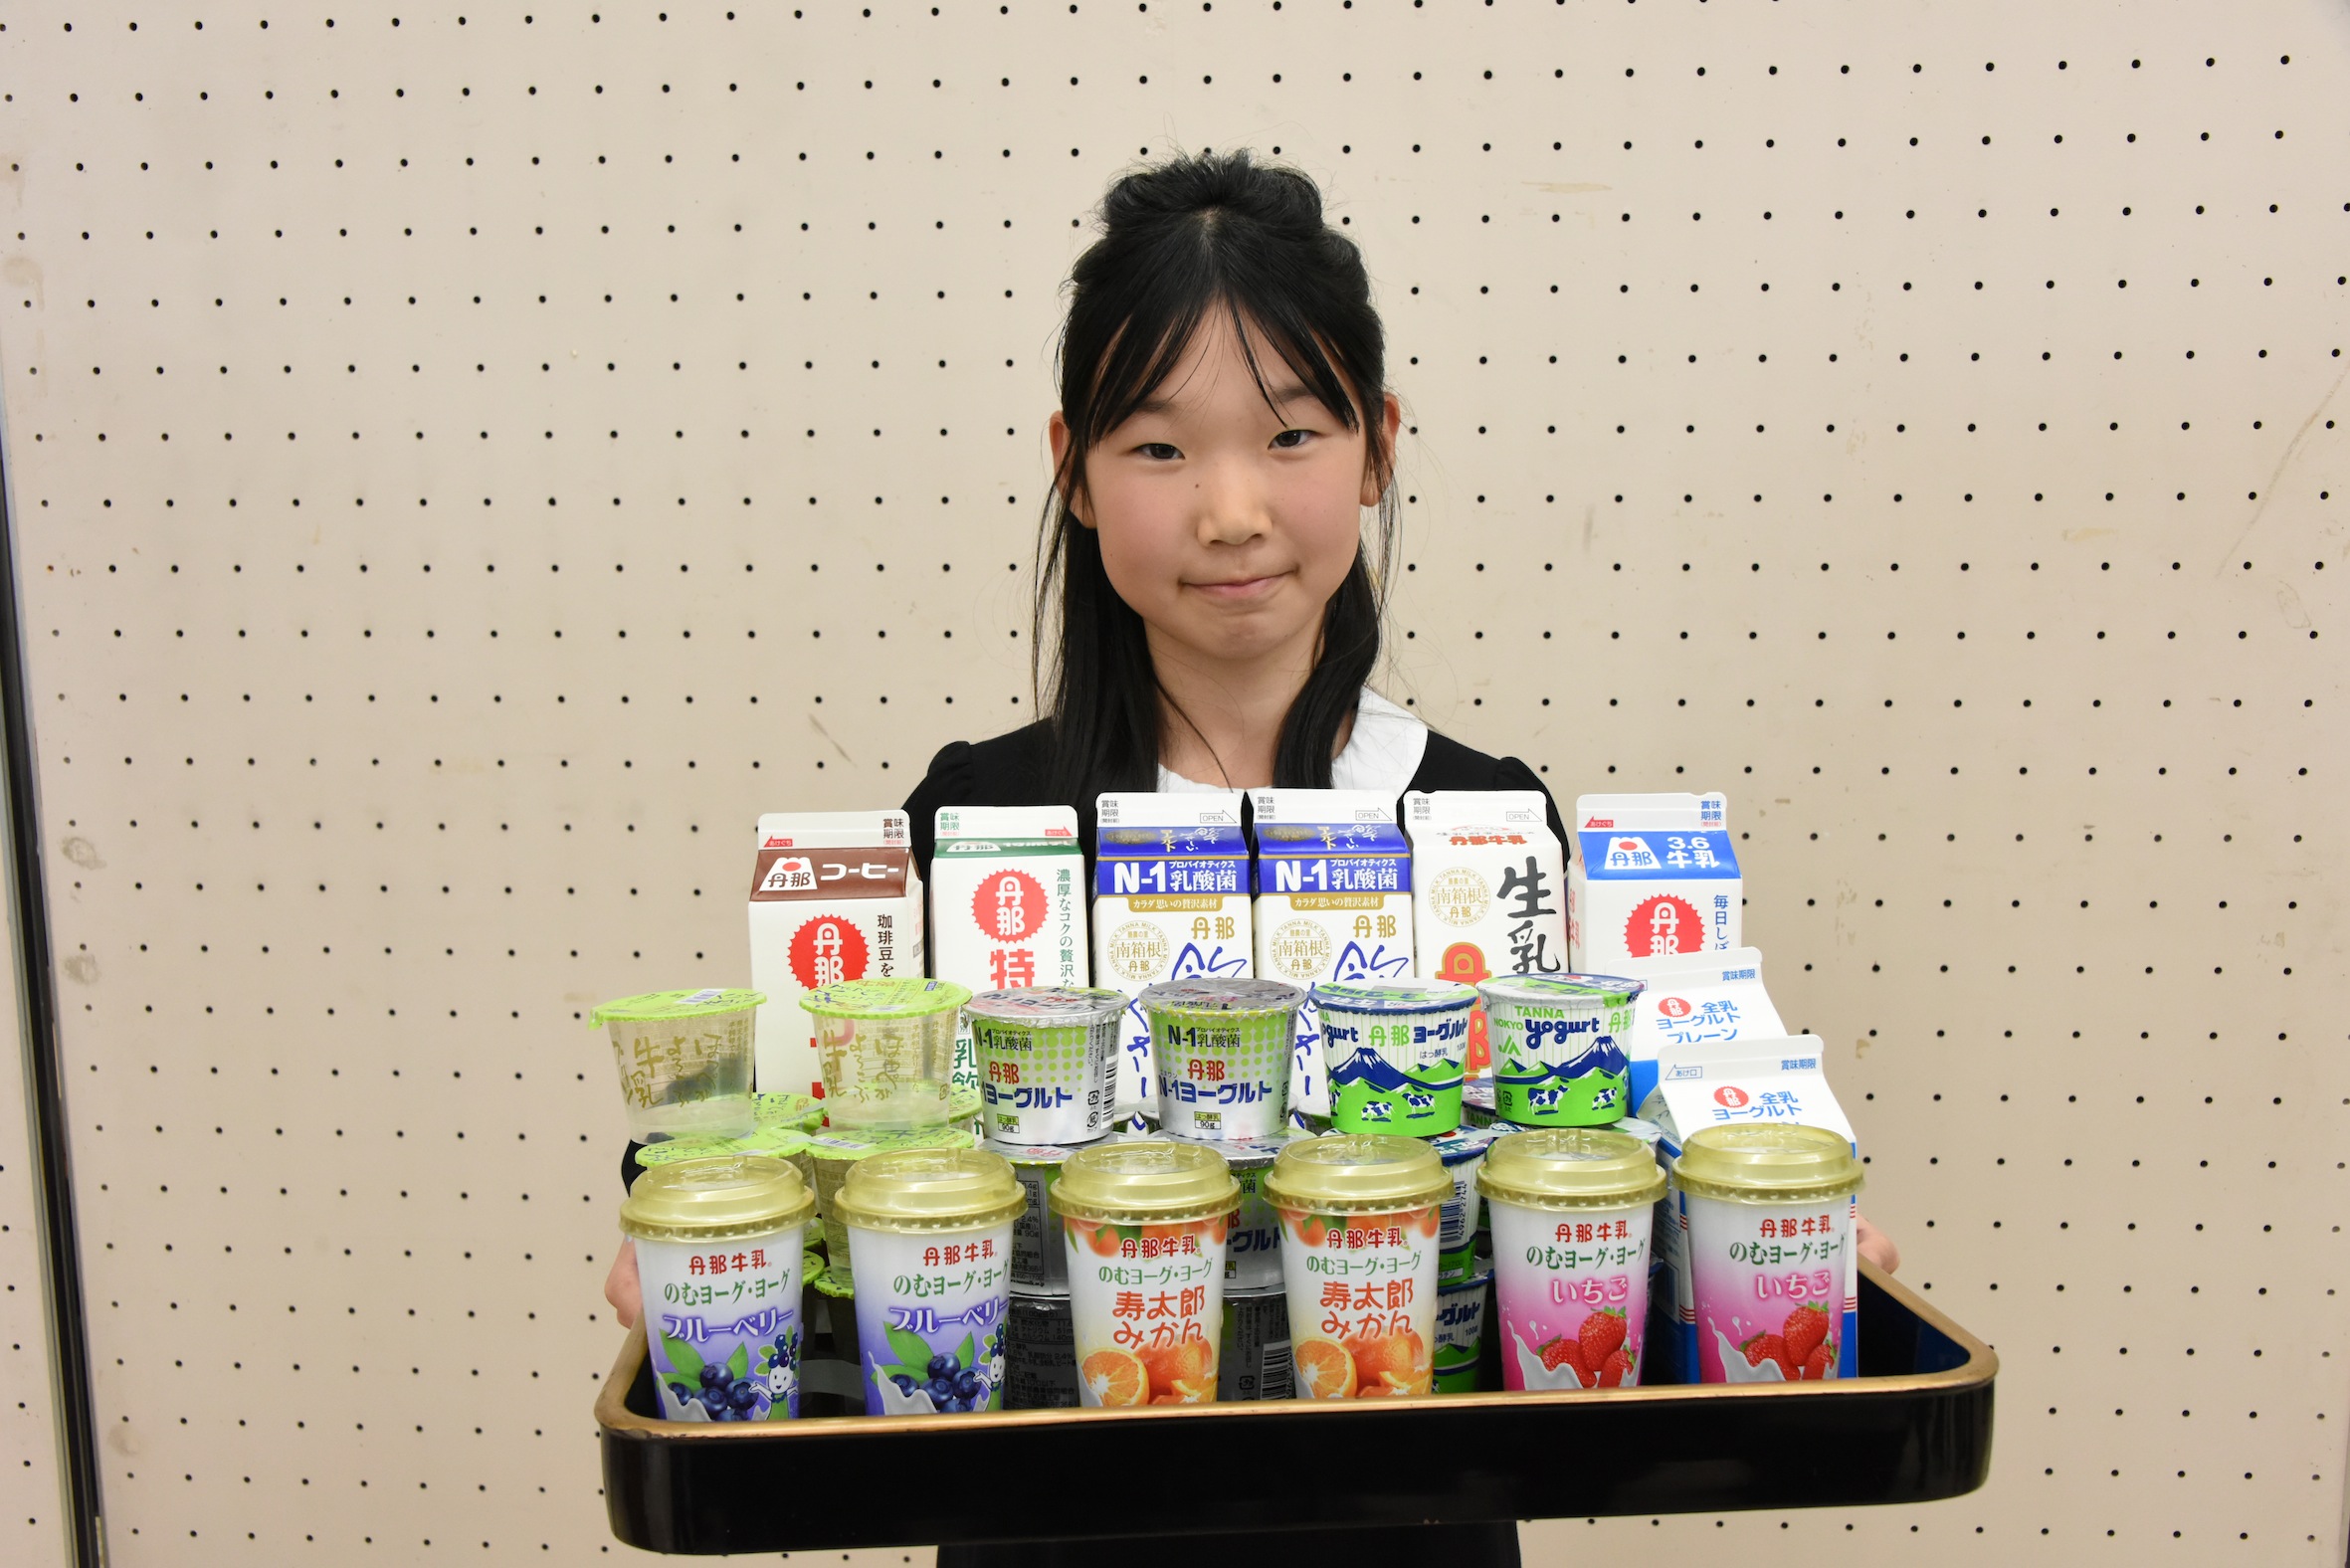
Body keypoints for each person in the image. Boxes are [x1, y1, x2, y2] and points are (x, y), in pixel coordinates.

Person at [601, 148, 1894, 1559]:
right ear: (1072, 471)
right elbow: (806, 1138)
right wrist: (698, 1241)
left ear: (1378, 448)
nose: (1230, 511)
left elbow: (1624, 1133)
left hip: (1406, 1519)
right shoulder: (977, 819)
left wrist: (1773, 1231)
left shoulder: (1485, 818)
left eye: (1291, 436)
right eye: (1159, 449)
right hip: (1048, 1519)